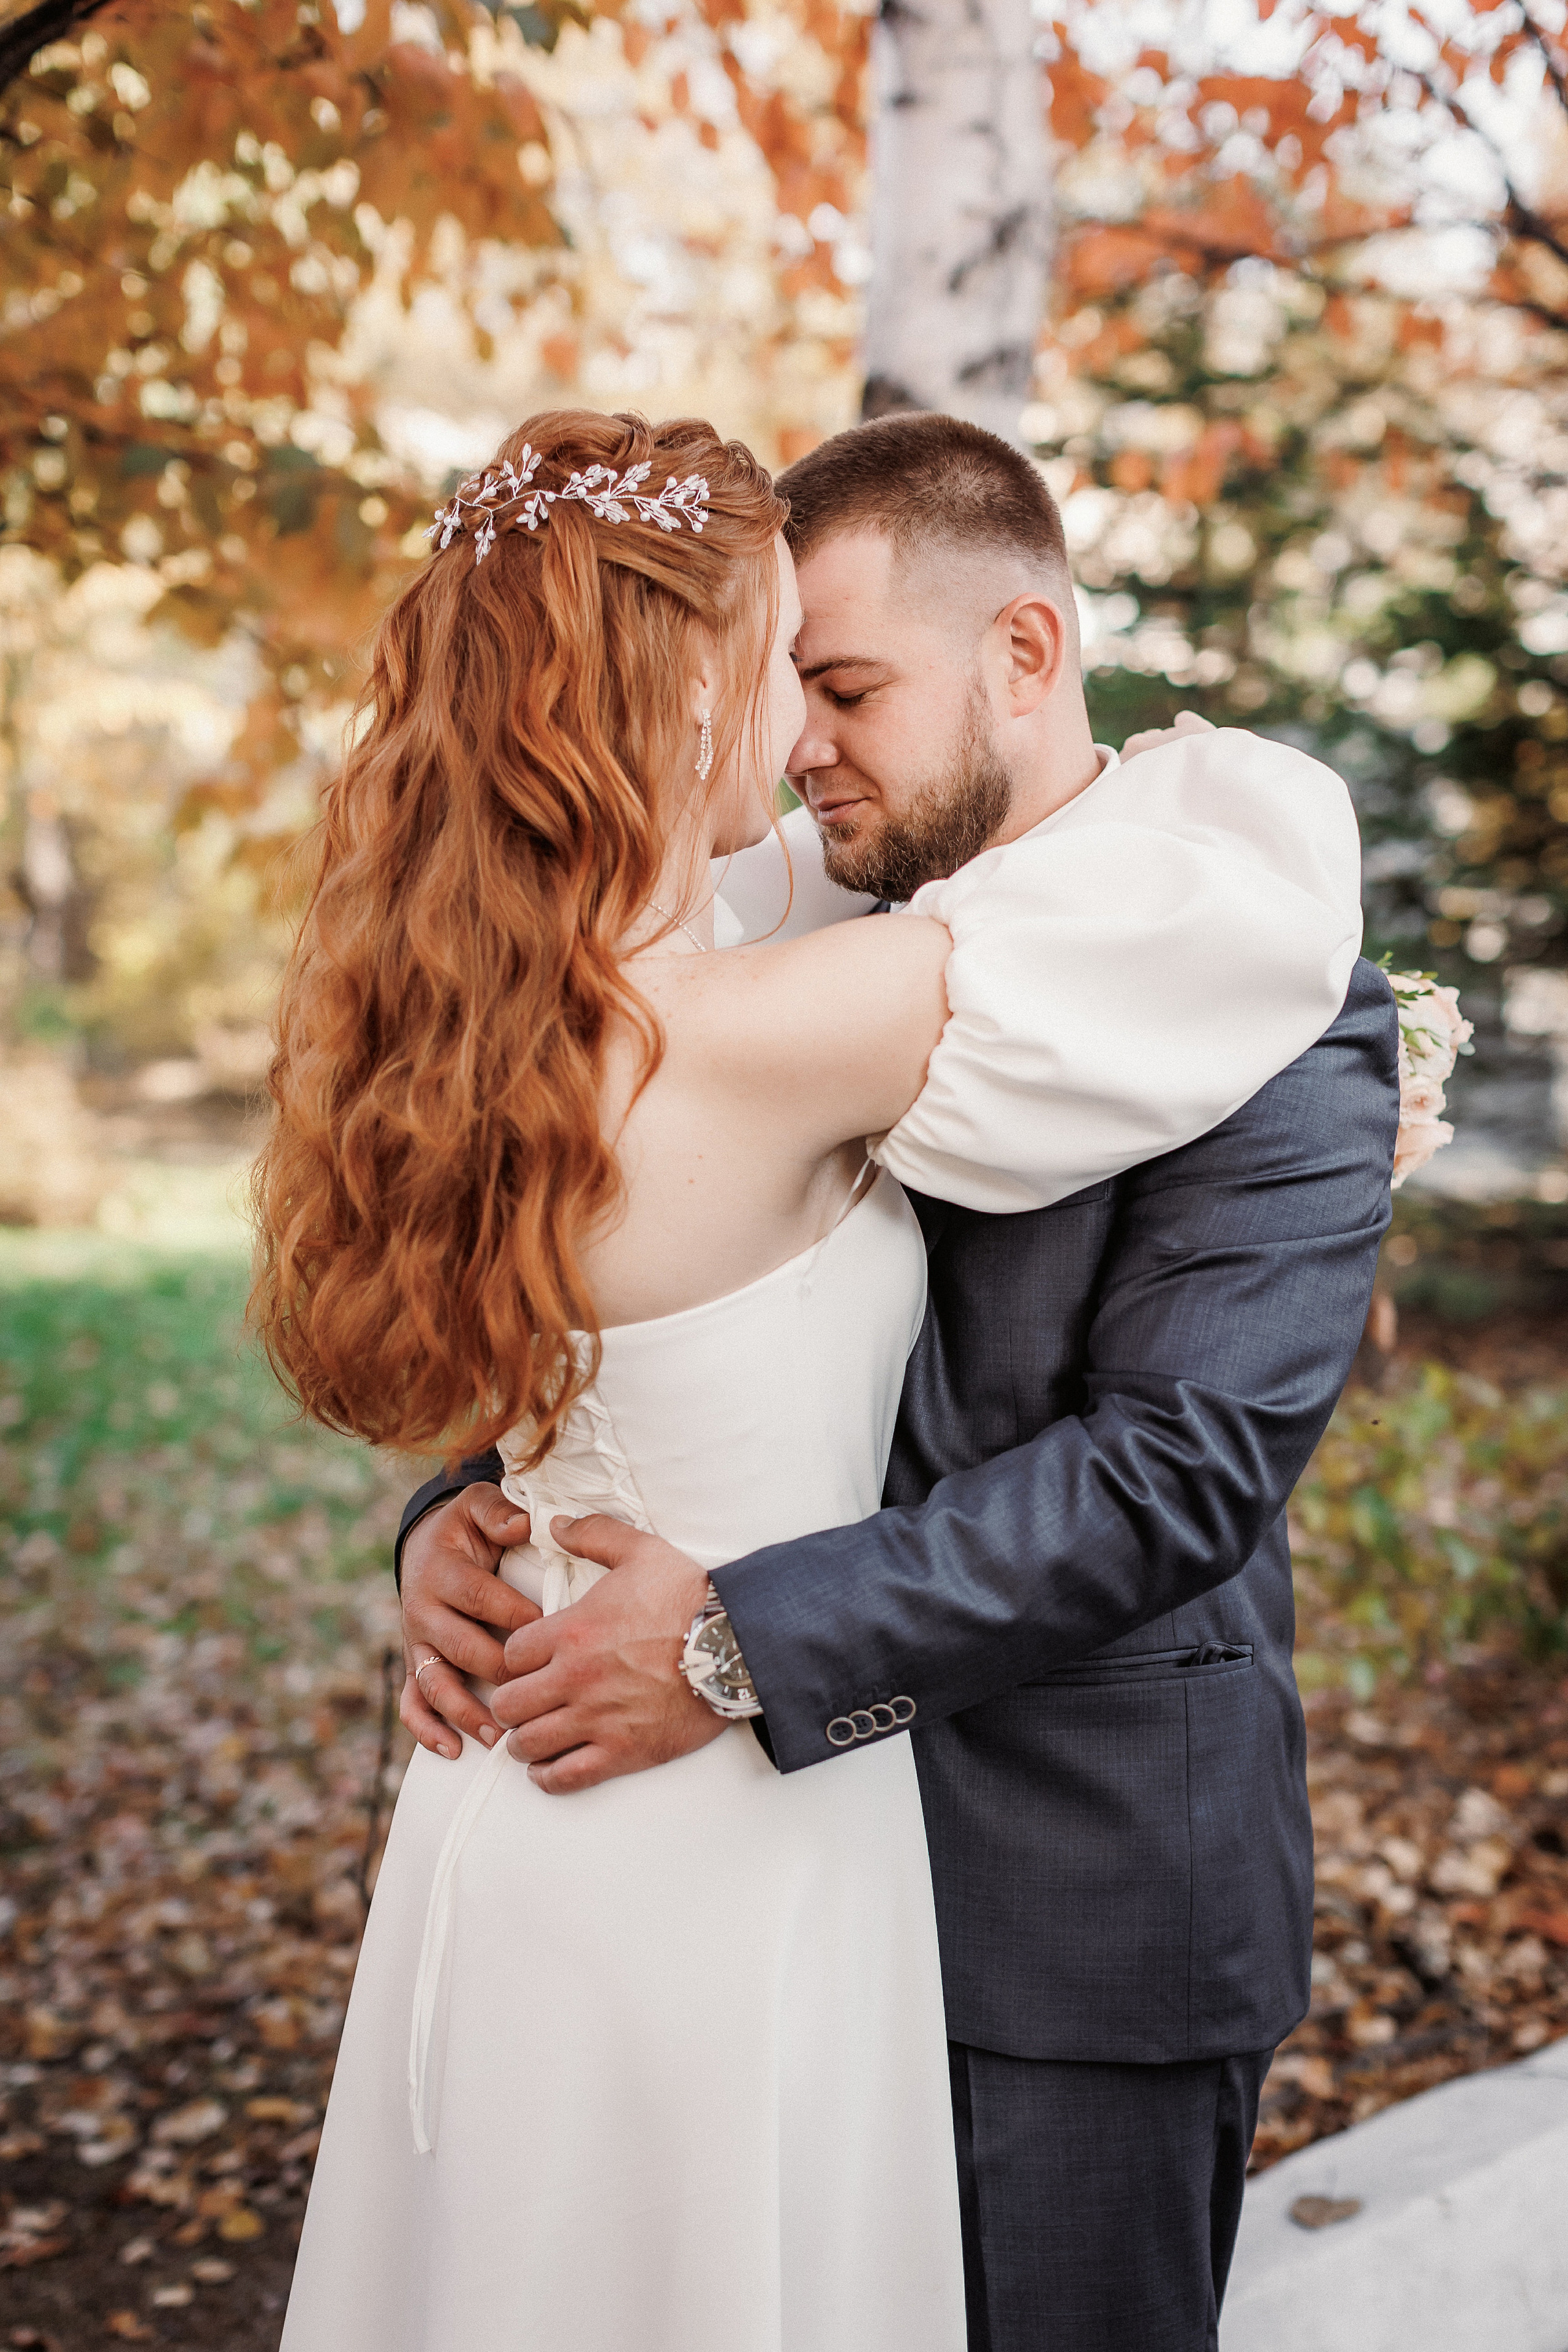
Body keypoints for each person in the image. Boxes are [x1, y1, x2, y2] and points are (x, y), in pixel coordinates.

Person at [396, 413, 1399, 2351]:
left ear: (1023, 654)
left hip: (1066, 1905)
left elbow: (1178, 1468)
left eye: (846, 686)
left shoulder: (1262, 975)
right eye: (787, 685)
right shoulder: (792, 940)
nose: (799, 743)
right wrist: (472, 1515)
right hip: (734, 1906)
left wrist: (734, 1643)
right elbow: (641, 1289)